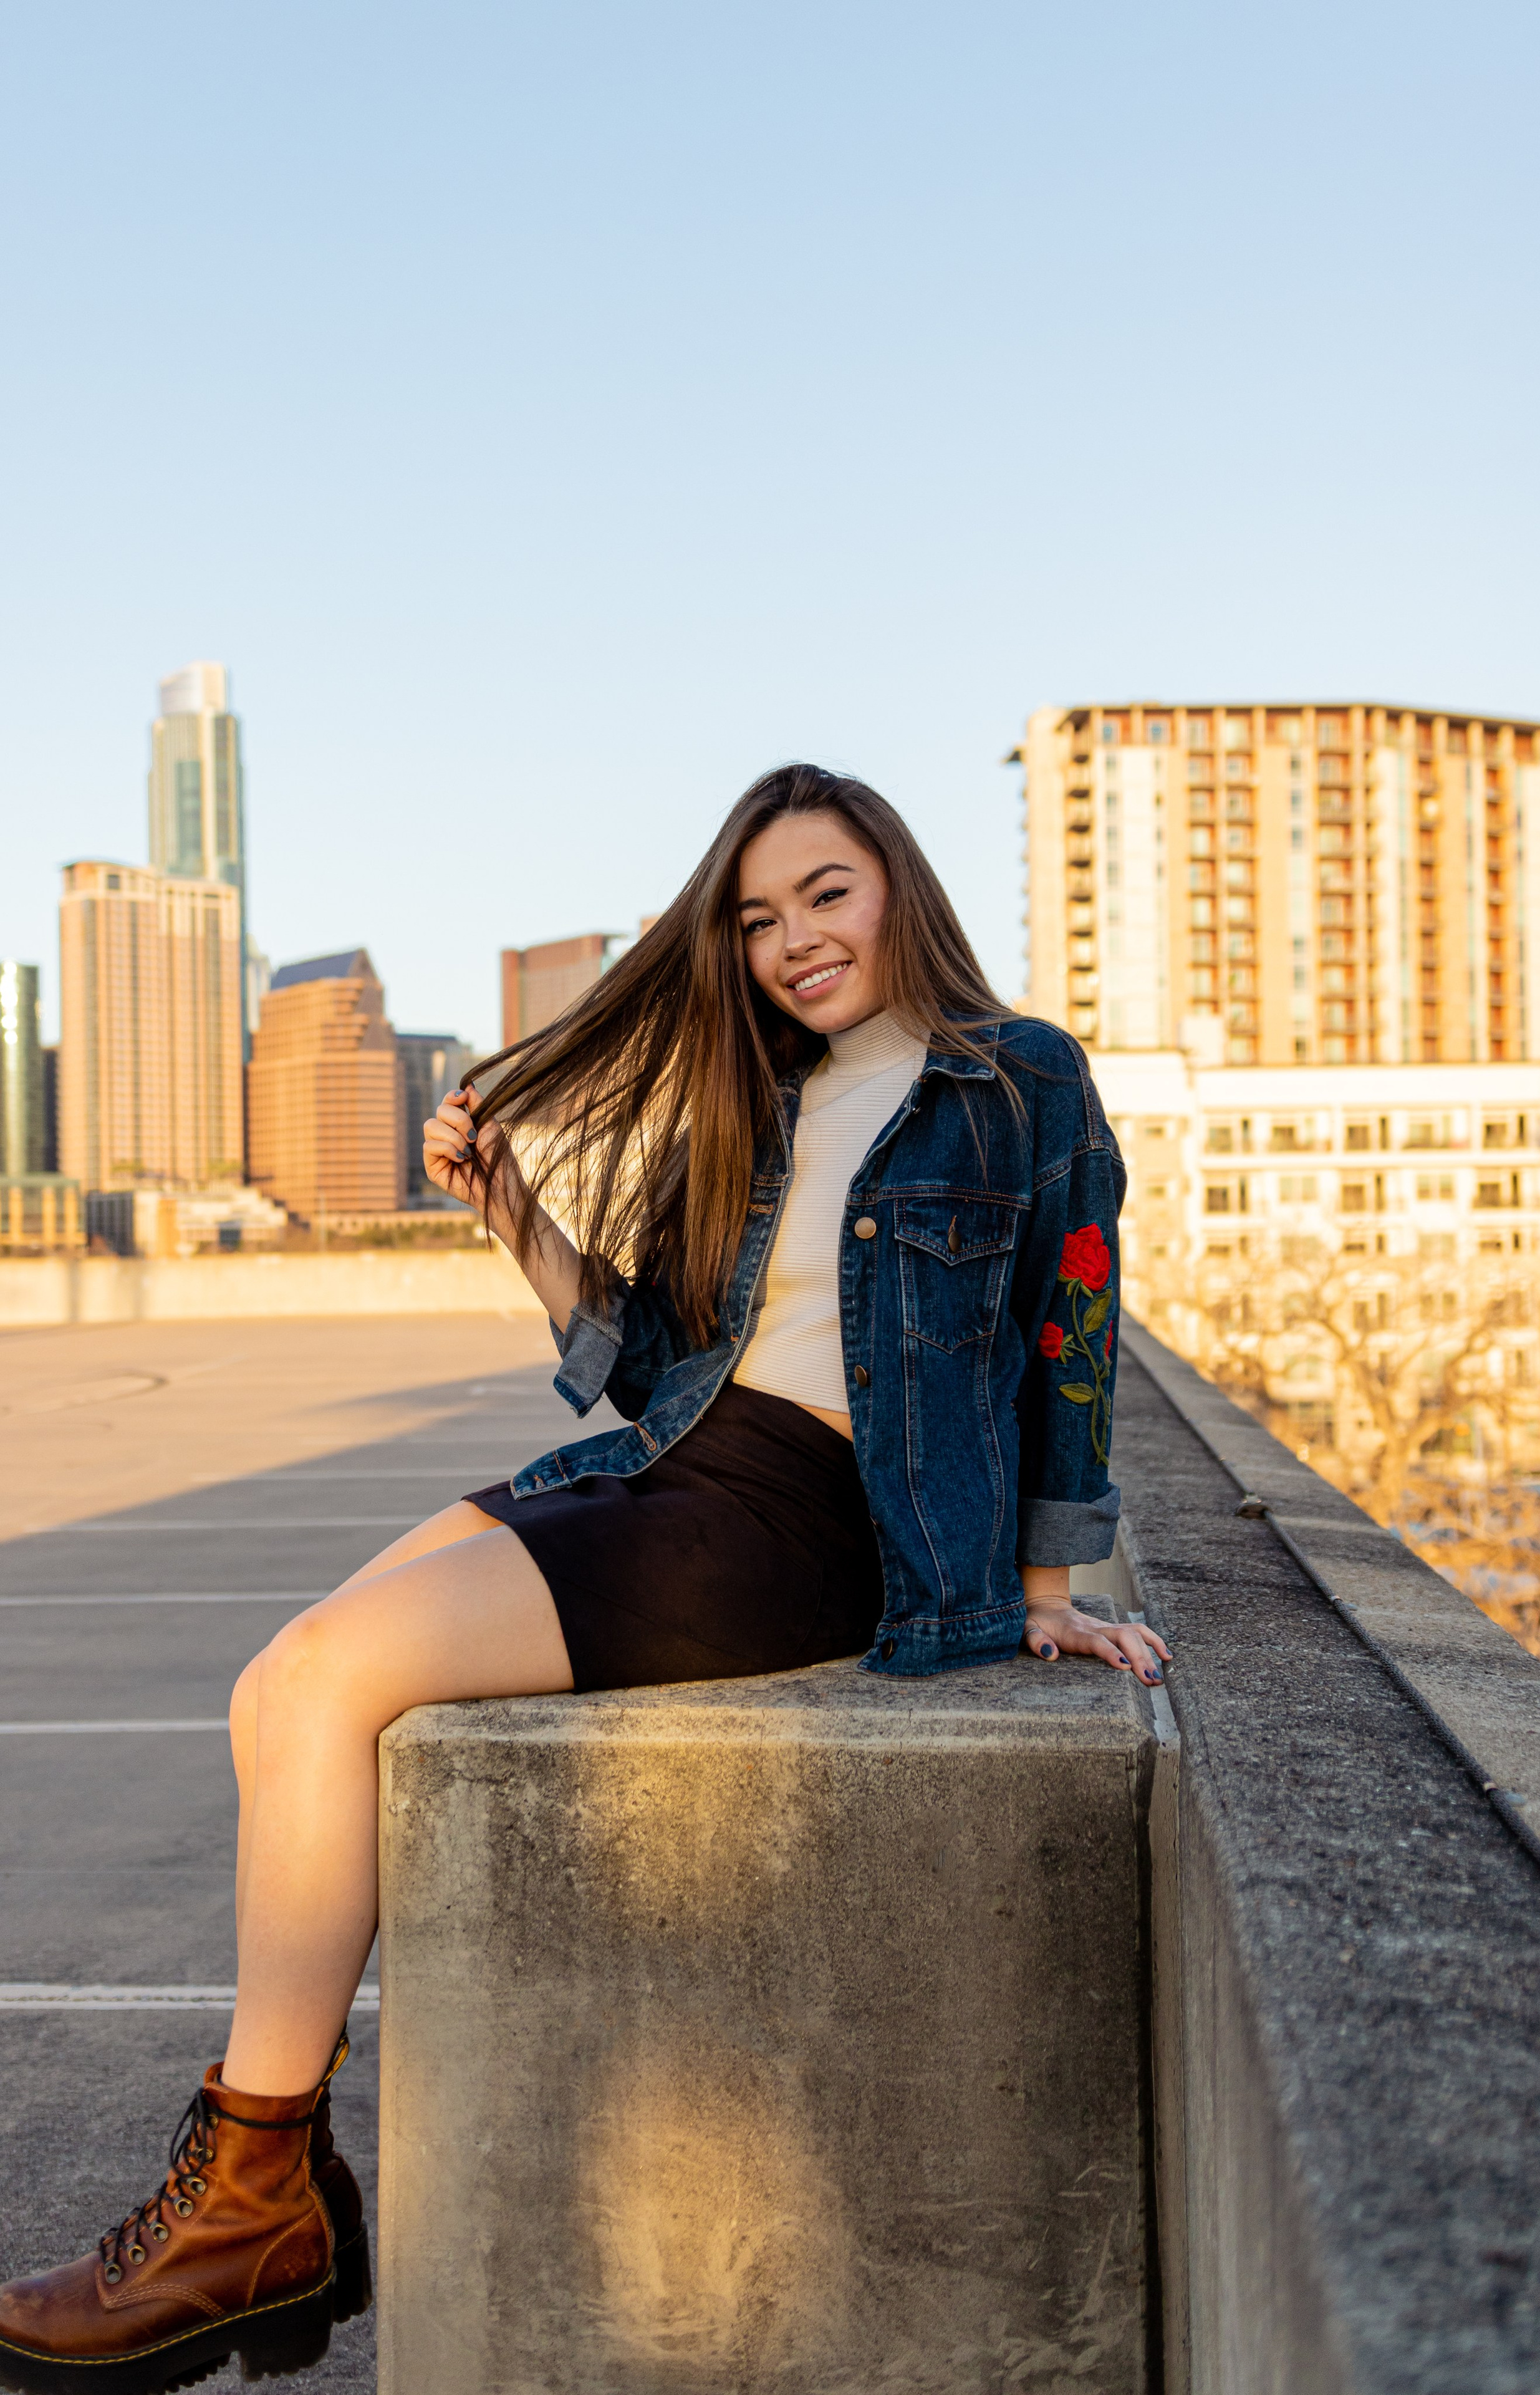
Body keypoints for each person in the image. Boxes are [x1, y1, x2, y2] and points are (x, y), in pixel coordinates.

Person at [0, 763, 1167, 2394]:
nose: (794, 940)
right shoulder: (768, 1096)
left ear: (898, 885)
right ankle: (276, 2192)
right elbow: (660, 1363)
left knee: (335, 1678)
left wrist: (1046, 1583)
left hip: (819, 1523)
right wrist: (514, 1215)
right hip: (677, 1462)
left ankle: (245, 2211)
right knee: (281, 1683)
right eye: (756, 919)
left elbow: (1074, 1324)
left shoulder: (1019, 1077)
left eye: (826, 893)